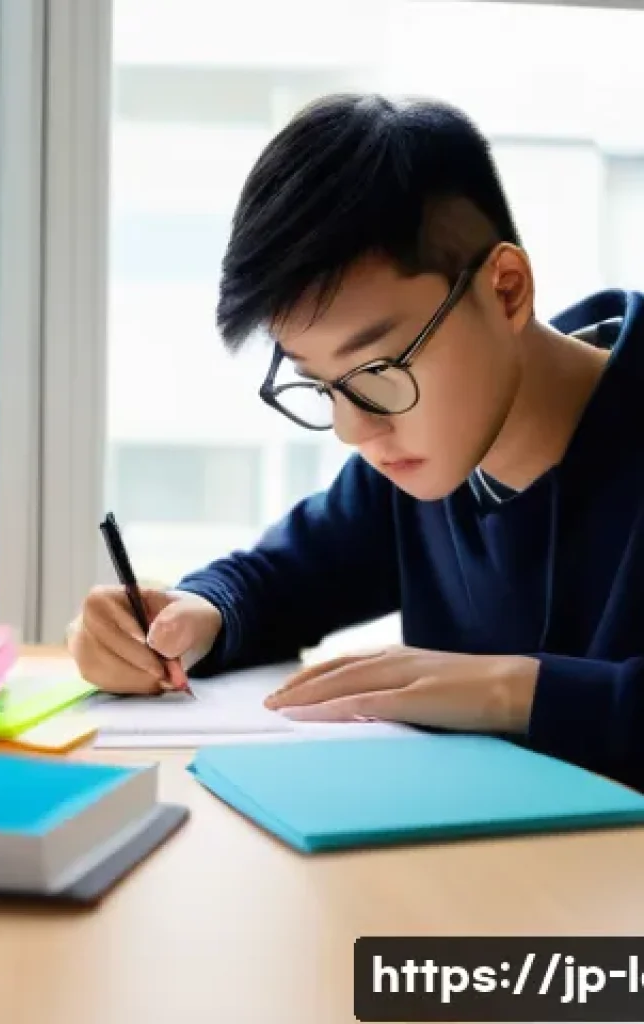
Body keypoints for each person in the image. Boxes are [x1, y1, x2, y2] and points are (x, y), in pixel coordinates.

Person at [66, 93, 644, 790]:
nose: (354, 428)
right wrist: (194, 617)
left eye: (378, 371)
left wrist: (508, 690)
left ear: (506, 291)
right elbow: (284, 578)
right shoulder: (421, 461)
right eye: (321, 385)